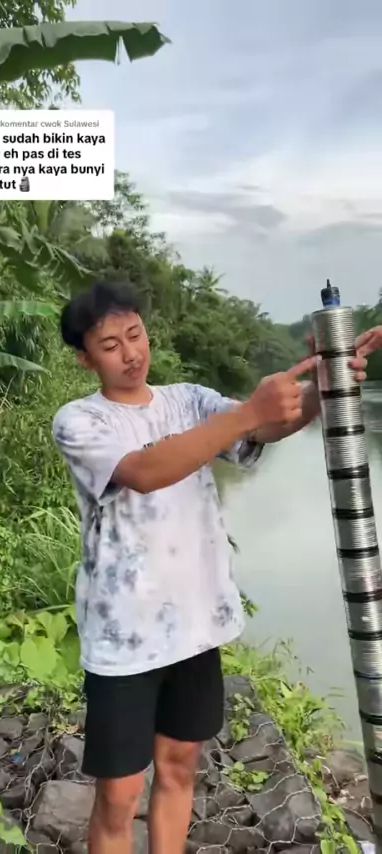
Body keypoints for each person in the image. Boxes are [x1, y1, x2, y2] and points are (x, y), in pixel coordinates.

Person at [52, 281, 368, 854]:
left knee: (179, 768)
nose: (130, 353)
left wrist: (326, 386)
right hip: (125, 638)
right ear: (85, 358)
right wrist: (249, 410)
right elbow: (145, 471)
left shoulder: (190, 400)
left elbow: (264, 428)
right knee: (119, 795)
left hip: (195, 627)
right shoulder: (80, 421)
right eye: (110, 345)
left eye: (135, 335)